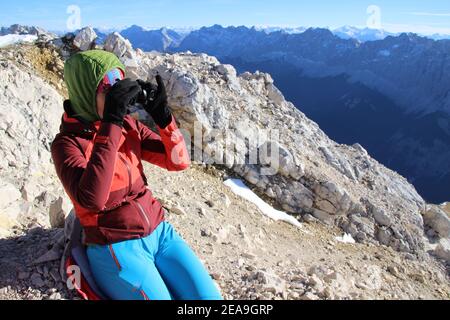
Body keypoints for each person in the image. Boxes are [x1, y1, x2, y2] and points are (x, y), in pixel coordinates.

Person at [51, 50, 222, 300]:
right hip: (115, 245)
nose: (115, 95)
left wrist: (163, 117)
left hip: (160, 233)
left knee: (210, 300)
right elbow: (92, 199)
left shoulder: (129, 126)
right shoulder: (67, 144)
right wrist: (111, 122)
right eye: (107, 87)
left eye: (118, 83)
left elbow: (178, 162)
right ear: (86, 92)